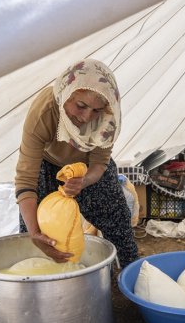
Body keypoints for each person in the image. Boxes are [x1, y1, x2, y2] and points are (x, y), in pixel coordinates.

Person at [14, 58, 139, 267]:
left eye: (96, 110)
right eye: (81, 105)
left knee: (118, 220)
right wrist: (34, 232)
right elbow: (26, 179)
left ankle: (131, 275)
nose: (86, 117)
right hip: (47, 166)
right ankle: (44, 280)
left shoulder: (108, 118)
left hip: (88, 169)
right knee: (38, 231)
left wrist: (84, 181)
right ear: (65, 93)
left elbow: (100, 164)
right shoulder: (45, 111)